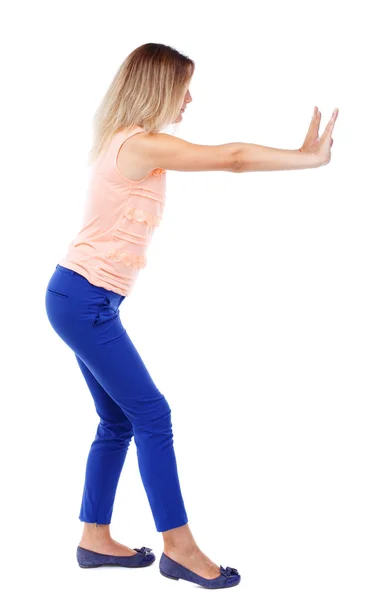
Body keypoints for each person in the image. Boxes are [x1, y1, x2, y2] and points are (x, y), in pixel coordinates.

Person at [44, 43, 339, 590]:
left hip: (82, 299)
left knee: (118, 421)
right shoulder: (138, 145)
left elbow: (229, 158)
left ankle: (94, 538)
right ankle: (179, 549)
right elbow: (232, 158)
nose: (189, 98)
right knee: (153, 416)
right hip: (83, 301)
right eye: (183, 86)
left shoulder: (130, 143)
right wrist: (307, 157)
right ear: (158, 88)